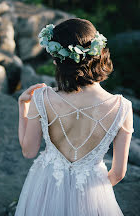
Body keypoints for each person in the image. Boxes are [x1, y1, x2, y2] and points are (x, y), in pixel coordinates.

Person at [15, 18, 134, 216]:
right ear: (98, 53)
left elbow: (29, 151)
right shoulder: (122, 107)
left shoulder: (42, 98)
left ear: (58, 60)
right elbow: (119, 173)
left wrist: (22, 107)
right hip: (91, 193)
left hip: (45, 188)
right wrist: (92, 190)